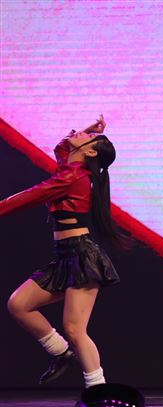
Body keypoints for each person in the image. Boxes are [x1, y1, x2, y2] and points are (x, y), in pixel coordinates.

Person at [2, 115, 124, 388]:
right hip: (66, 255)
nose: (77, 133)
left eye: (87, 138)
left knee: (75, 329)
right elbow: (62, 149)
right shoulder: (70, 171)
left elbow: (31, 196)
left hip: (82, 256)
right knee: (19, 305)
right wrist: (86, 132)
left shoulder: (73, 176)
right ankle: (60, 352)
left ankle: (98, 390)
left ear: (90, 152)